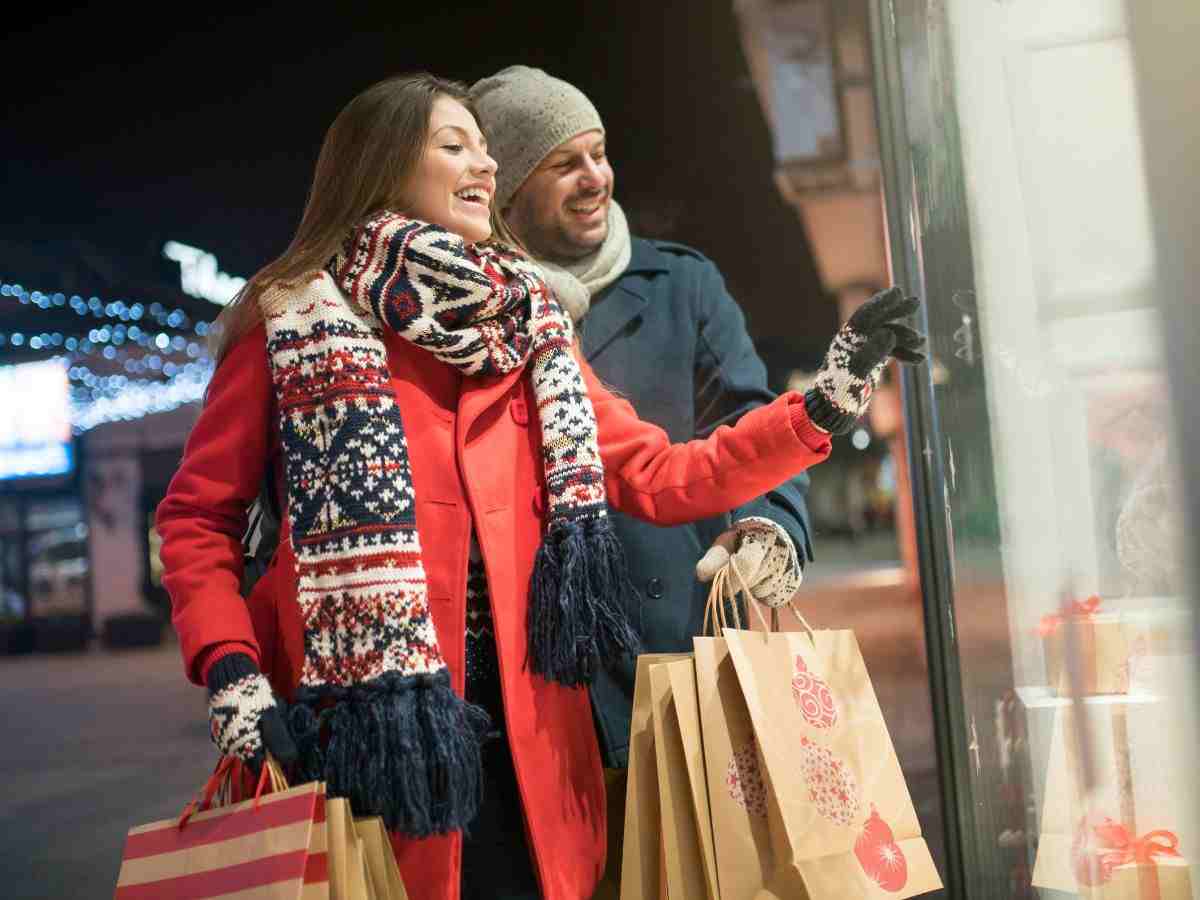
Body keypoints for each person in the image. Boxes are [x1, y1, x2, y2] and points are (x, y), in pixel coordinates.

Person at [155, 72, 923, 900]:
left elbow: (661, 474)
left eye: (485, 147)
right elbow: (199, 518)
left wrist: (825, 400)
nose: (483, 163)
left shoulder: (527, 326)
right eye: (455, 146)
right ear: (380, 167)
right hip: (364, 741)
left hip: (534, 747)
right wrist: (231, 673)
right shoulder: (292, 320)